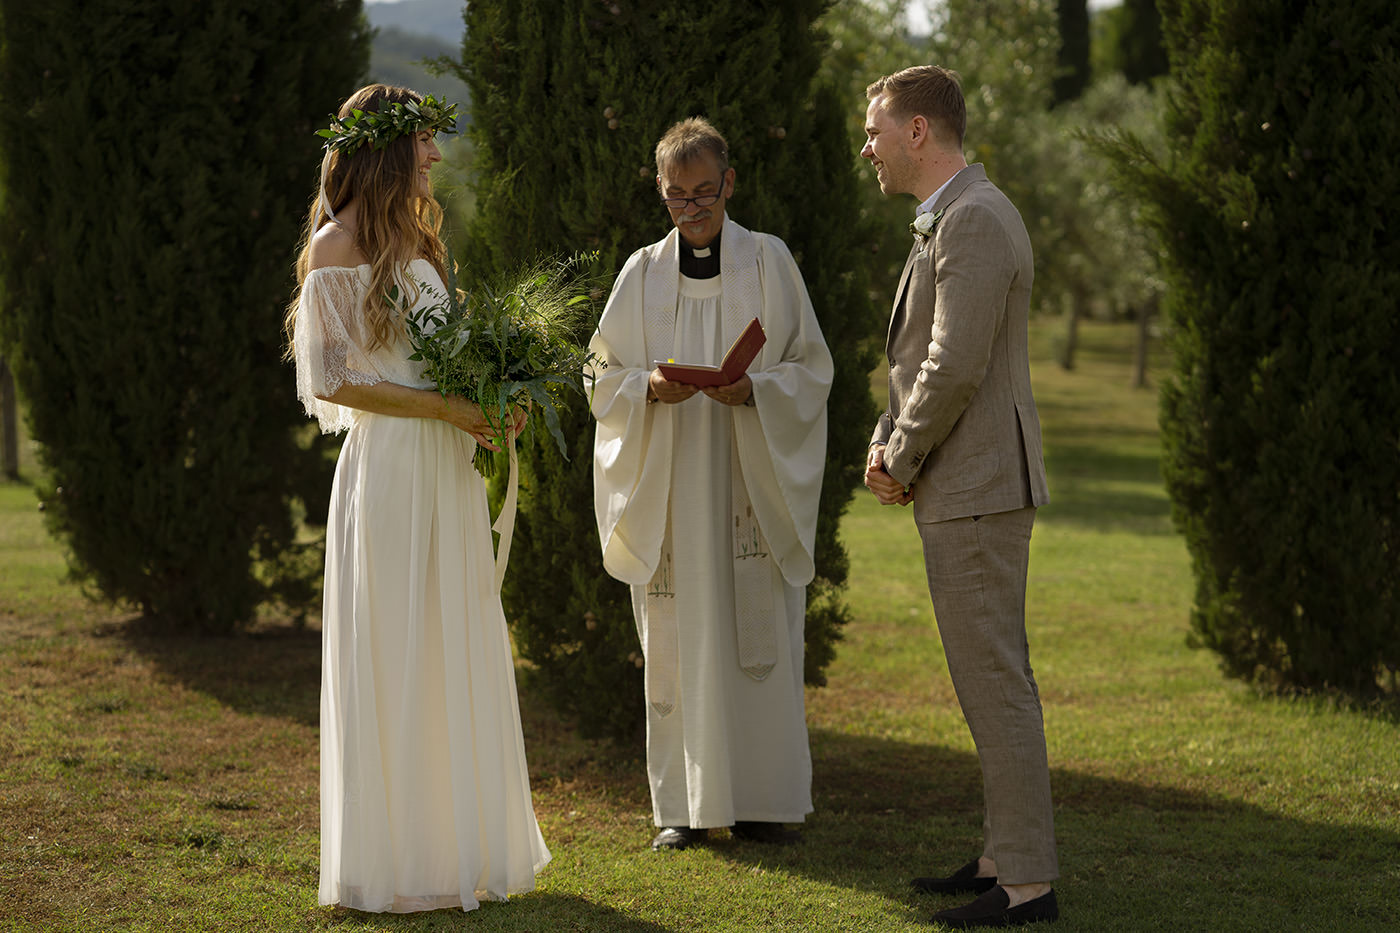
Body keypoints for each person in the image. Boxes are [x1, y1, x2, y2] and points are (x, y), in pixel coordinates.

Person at [285, 83, 549, 913]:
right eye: (425, 142)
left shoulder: (424, 243)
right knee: (399, 641)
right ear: (388, 149)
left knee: (450, 637)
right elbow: (336, 378)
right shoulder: (335, 247)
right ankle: (396, 862)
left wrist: (492, 391)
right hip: (392, 468)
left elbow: (443, 353)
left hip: (444, 463)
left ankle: (453, 849)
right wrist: (442, 407)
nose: (436, 156)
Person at [587, 118, 833, 851]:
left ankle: (764, 801)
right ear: (660, 193)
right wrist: (646, 390)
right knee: (678, 641)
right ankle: (685, 808)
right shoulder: (640, 273)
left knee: (756, 635)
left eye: (704, 193)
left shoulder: (770, 262)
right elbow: (599, 376)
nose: (692, 210)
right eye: (676, 197)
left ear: (729, 184)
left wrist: (755, 388)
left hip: (747, 477)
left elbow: (812, 368)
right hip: (670, 483)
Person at [859, 66, 1058, 928]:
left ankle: (1025, 885)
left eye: (875, 129)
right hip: (967, 483)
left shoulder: (973, 218)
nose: (865, 144)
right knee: (989, 678)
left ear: (917, 132)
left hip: (975, 485)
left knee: (995, 682)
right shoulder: (955, 214)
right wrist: (884, 438)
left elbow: (954, 364)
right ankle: (1000, 856)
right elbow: (919, 359)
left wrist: (900, 456)